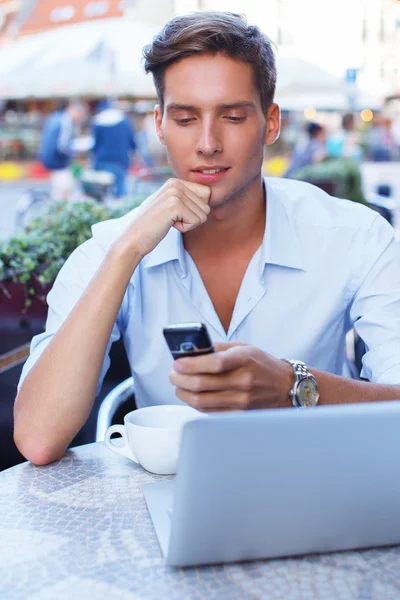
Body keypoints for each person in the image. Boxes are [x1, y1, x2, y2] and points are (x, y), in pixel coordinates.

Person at [14, 12, 400, 466]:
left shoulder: (354, 235)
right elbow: (39, 438)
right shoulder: (117, 245)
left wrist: (293, 387)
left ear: (270, 123)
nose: (208, 143)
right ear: (159, 124)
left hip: (320, 484)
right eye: (184, 118)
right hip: (168, 497)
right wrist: (125, 253)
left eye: (233, 116)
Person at [38, 101, 87, 201]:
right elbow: (62, 146)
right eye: (81, 116)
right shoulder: (66, 122)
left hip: (50, 159)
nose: (80, 119)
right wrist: (75, 152)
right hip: (58, 162)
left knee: (59, 191)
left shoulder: (56, 117)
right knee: (65, 190)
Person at [92, 99, 137, 198]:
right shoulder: (125, 121)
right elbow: (132, 141)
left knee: (103, 189)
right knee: (120, 189)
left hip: (103, 159)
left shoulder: (98, 122)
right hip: (121, 159)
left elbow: (95, 143)